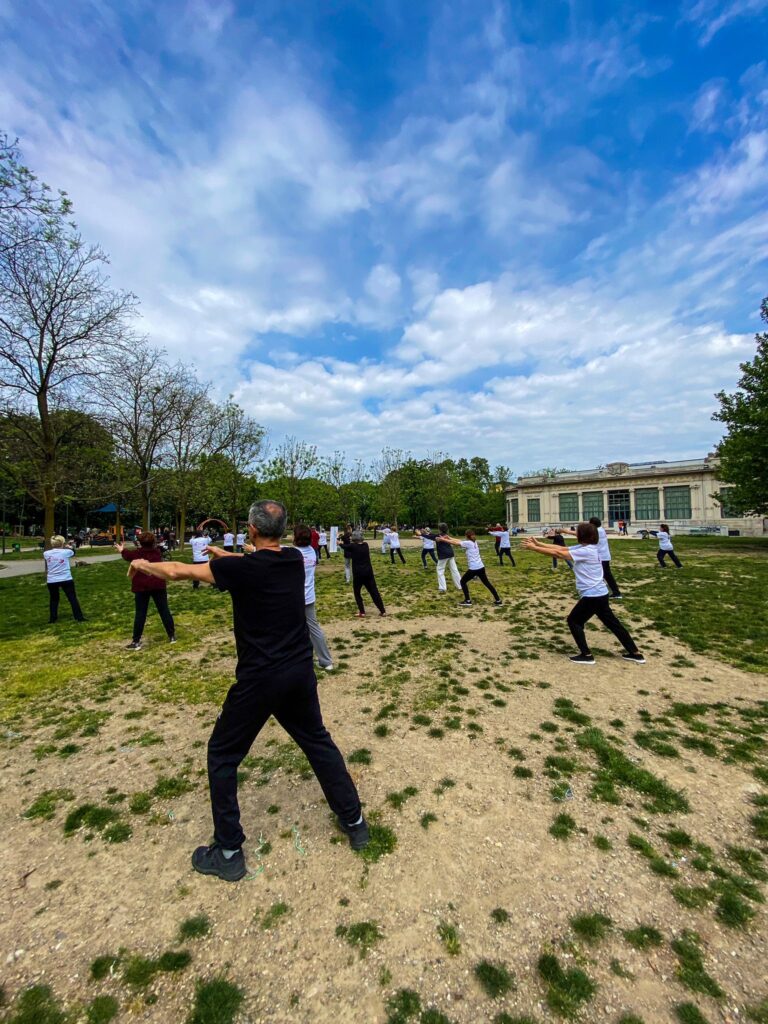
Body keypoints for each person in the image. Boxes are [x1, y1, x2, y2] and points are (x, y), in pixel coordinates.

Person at [129, 499, 368, 881]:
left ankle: (227, 851)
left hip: (258, 681)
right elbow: (254, 564)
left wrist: (142, 563)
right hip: (298, 674)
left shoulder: (241, 569)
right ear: (283, 531)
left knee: (222, 754)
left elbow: (175, 570)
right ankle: (355, 821)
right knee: (318, 743)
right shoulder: (292, 559)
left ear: (252, 531)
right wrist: (223, 555)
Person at [522, 523, 644, 665]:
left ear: (583, 535)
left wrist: (533, 548)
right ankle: (635, 653)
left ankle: (586, 655)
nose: (575, 533)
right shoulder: (588, 548)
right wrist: (539, 543)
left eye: (577, 532)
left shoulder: (587, 551)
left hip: (593, 595)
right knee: (613, 624)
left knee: (574, 621)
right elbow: (561, 548)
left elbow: (558, 554)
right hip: (600, 593)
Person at [116, 532, 176, 650]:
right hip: (158, 584)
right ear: (153, 542)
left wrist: (121, 549)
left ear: (140, 542)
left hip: (141, 586)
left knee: (140, 613)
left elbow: (127, 555)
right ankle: (172, 636)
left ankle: (136, 641)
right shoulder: (157, 552)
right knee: (164, 610)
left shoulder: (137, 554)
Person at [293, 525, 334, 671]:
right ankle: (326, 661)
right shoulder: (312, 552)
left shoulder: (293, 553)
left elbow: (272, 555)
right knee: (314, 629)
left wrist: (253, 550)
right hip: (309, 597)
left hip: (293, 598)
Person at [440, 529, 502, 607]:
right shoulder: (473, 542)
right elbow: (459, 541)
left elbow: (456, 543)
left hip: (474, 569)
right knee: (487, 583)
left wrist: (443, 539)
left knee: (462, 581)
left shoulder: (468, 543)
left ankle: (468, 600)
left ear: (466, 536)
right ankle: (498, 600)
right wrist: (449, 537)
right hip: (481, 567)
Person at [340, 529, 386, 617]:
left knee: (357, 592)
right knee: (374, 591)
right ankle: (382, 610)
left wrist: (339, 543)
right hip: (368, 572)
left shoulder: (353, 546)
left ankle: (362, 612)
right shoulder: (366, 545)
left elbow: (345, 547)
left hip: (358, 573)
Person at [44, 535, 85, 624]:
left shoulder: (46, 553)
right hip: (66, 578)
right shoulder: (66, 552)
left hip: (52, 579)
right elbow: (73, 552)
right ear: (62, 543)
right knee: (72, 598)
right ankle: (79, 617)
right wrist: (69, 546)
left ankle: (53, 618)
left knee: (54, 599)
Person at [433, 523, 463, 594]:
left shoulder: (439, 536)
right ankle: (460, 585)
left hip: (444, 555)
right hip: (450, 554)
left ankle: (442, 588)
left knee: (440, 570)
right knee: (454, 569)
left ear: (439, 529)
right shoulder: (446, 536)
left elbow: (431, 536)